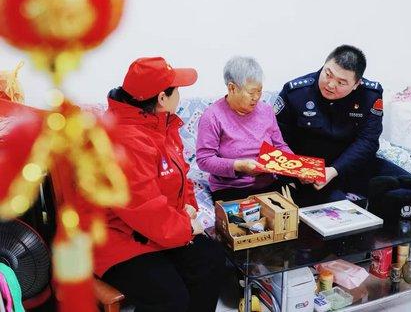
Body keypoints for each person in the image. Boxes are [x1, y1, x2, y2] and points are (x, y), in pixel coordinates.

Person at [94, 57, 224, 312]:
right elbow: (143, 208)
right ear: (162, 98)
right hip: (119, 238)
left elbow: (182, 176)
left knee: (211, 259)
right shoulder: (123, 140)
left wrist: (189, 208)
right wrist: (186, 227)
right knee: (169, 297)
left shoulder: (161, 124)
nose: (180, 95)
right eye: (177, 90)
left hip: (157, 230)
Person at [275, 44, 411, 207]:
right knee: (341, 209)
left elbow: (368, 141)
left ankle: (380, 207)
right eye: (328, 74)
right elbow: (276, 139)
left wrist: (334, 170)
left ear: (356, 84)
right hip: (310, 173)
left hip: (351, 165)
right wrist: (299, 170)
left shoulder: (370, 95)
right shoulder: (296, 92)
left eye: (341, 82)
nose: (330, 85)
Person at [196, 56, 292, 202]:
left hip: (268, 183)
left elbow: (280, 146)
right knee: (252, 215)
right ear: (232, 88)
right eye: (251, 93)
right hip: (231, 188)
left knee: (300, 205)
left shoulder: (266, 111)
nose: (256, 97)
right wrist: (239, 166)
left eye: (259, 91)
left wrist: (297, 167)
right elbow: (204, 159)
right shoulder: (212, 116)